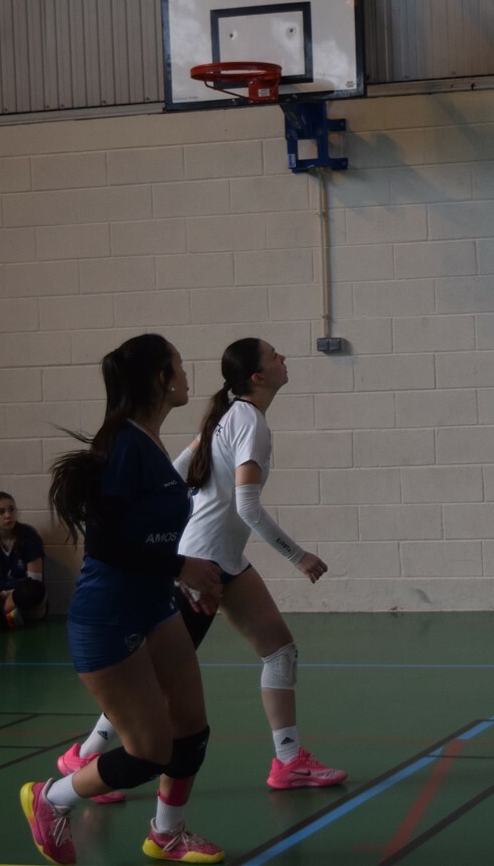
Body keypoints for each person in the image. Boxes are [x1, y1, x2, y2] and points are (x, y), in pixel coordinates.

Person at [57, 338, 346, 794]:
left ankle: (289, 760)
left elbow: (171, 472)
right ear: (257, 376)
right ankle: (89, 756)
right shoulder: (247, 422)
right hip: (200, 562)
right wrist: (299, 556)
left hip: (221, 556)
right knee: (157, 679)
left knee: (279, 648)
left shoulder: (229, 415)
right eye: (274, 356)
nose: (283, 359)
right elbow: (247, 505)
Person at [19, 333, 225, 865]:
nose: (187, 375)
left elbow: (146, 537)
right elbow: (107, 544)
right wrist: (181, 567)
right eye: (180, 365)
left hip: (154, 605)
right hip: (108, 618)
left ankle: (167, 834)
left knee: (191, 730)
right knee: (149, 752)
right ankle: (51, 798)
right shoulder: (124, 444)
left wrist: (184, 579)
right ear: (161, 378)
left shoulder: (148, 441)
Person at [0, 492, 47, 628]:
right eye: (1, 512)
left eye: (12, 510)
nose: (8, 515)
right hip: (0, 596)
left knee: (34, 589)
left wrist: (5, 594)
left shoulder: (29, 536)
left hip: (21, 597)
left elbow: (35, 580)